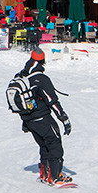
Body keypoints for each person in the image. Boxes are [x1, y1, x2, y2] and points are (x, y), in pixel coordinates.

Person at [16, 47, 73, 184]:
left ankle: (45, 173)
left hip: (29, 120)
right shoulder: (41, 78)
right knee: (54, 144)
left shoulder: (21, 76)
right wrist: (64, 118)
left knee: (44, 145)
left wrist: (25, 122)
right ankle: (55, 176)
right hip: (42, 118)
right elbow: (52, 101)